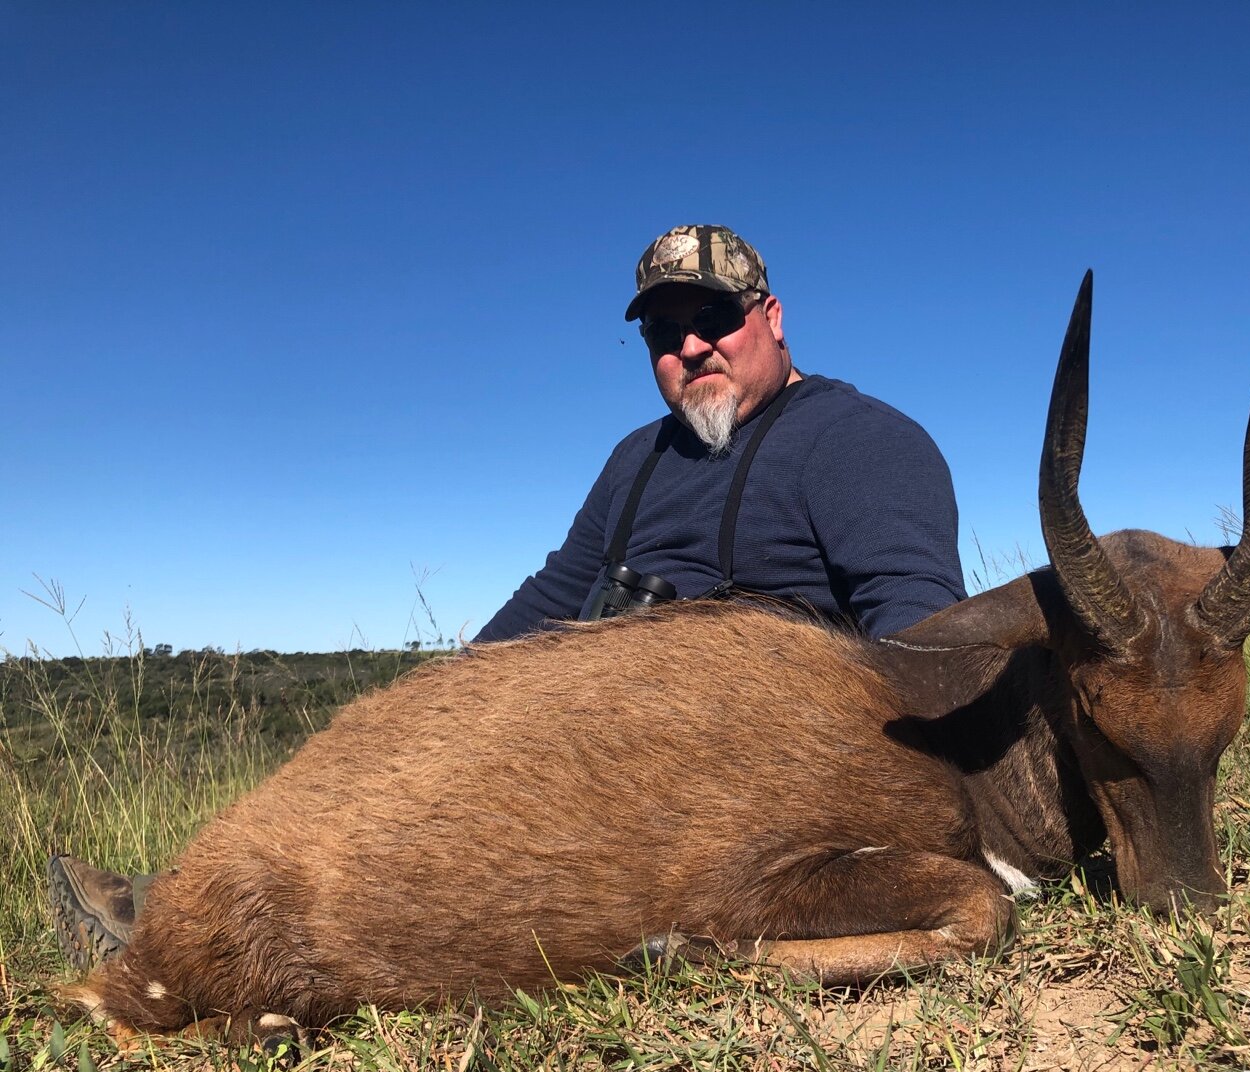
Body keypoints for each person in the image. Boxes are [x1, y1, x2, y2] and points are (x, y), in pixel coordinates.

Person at [50, 223, 969, 968]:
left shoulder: (862, 441)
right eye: (662, 334)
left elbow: (920, 645)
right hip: (600, 731)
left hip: (734, 771)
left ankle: (196, 944)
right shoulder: (638, 459)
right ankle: (187, 901)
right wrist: (447, 704)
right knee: (394, 764)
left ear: (771, 316)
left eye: (715, 319)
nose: (690, 348)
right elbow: (561, 588)